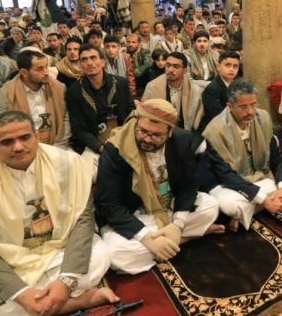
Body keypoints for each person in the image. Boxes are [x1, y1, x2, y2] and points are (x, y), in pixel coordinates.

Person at [0, 111, 117, 316]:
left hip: (60, 251)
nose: (18, 147)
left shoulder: (68, 163)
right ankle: (76, 302)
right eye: (7, 142)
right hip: (11, 262)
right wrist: (21, 294)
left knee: (102, 253)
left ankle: (46, 304)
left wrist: (66, 282)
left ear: (37, 136)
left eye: (25, 137)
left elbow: (83, 218)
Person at [94, 99, 220, 274]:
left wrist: (178, 225)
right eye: (142, 131)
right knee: (116, 254)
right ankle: (182, 240)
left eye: (156, 135)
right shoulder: (115, 149)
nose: (147, 139)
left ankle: (169, 242)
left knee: (211, 205)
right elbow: (109, 205)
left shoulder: (183, 141)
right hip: (136, 215)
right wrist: (146, 238)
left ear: (170, 132)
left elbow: (188, 185)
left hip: (169, 208)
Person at [203, 79, 282, 231]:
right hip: (228, 184)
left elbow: (275, 158)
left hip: (261, 175)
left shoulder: (262, 118)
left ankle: (248, 212)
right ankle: (266, 204)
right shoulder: (215, 130)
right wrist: (264, 199)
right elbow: (227, 176)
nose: (250, 112)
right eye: (243, 107)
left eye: (253, 105)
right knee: (231, 205)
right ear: (230, 106)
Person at [65, 45, 133, 177]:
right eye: (84, 59)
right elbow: (77, 128)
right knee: (90, 176)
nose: (89, 63)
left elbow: (131, 113)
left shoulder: (121, 83)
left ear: (102, 62)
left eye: (93, 58)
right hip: (94, 144)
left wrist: (125, 140)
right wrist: (100, 147)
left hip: (124, 138)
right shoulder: (74, 91)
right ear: (80, 65)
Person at [0, 50, 71, 148]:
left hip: (57, 144)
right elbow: (1, 124)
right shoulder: (7, 91)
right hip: (20, 147)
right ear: (24, 72)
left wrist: (59, 146)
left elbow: (66, 120)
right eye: (40, 69)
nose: (46, 72)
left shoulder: (59, 88)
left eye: (46, 67)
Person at [141, 52, 204, 133]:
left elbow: (198, 122)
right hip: (159, 133)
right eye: (168, 65)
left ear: (185, 70)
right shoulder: (152, 87)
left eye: (176, 67)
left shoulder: (195, 92)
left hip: (186, 134)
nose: (170, 70)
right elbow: (144, 116)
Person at [200, 50, 240, 131]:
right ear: (218, 67)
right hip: (216, 130)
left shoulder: (238, 85)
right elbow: (217, 117)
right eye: (228, 65)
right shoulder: (212, 90)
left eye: (235, 66)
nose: (232, 69)